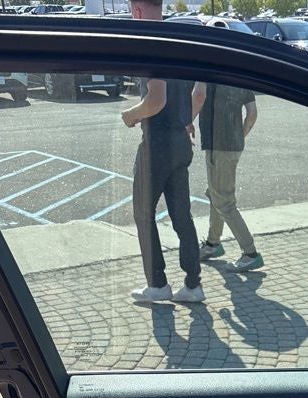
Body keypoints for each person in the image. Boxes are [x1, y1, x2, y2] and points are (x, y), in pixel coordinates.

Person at [122, 0, 203, 303]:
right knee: (182, 215)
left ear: (137, 11)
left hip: (156, 145)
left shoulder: (150, 44)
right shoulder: (177, 42)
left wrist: (130, 115)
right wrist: (186, 121)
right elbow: (199, 93)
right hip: (180, 142)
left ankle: (157, 284)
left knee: (143, 213)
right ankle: (193, 285)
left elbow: (156, 99)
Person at [193, 79, 263, 272]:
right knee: (214, 193)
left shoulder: (208, 71)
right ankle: (213, 243)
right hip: (233, 145)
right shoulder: (239, 76)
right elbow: (252, 113)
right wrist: (240, 135)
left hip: (218, 145)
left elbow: (198, 95)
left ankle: (250, 253)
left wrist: (186, 123)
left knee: (224, 202)